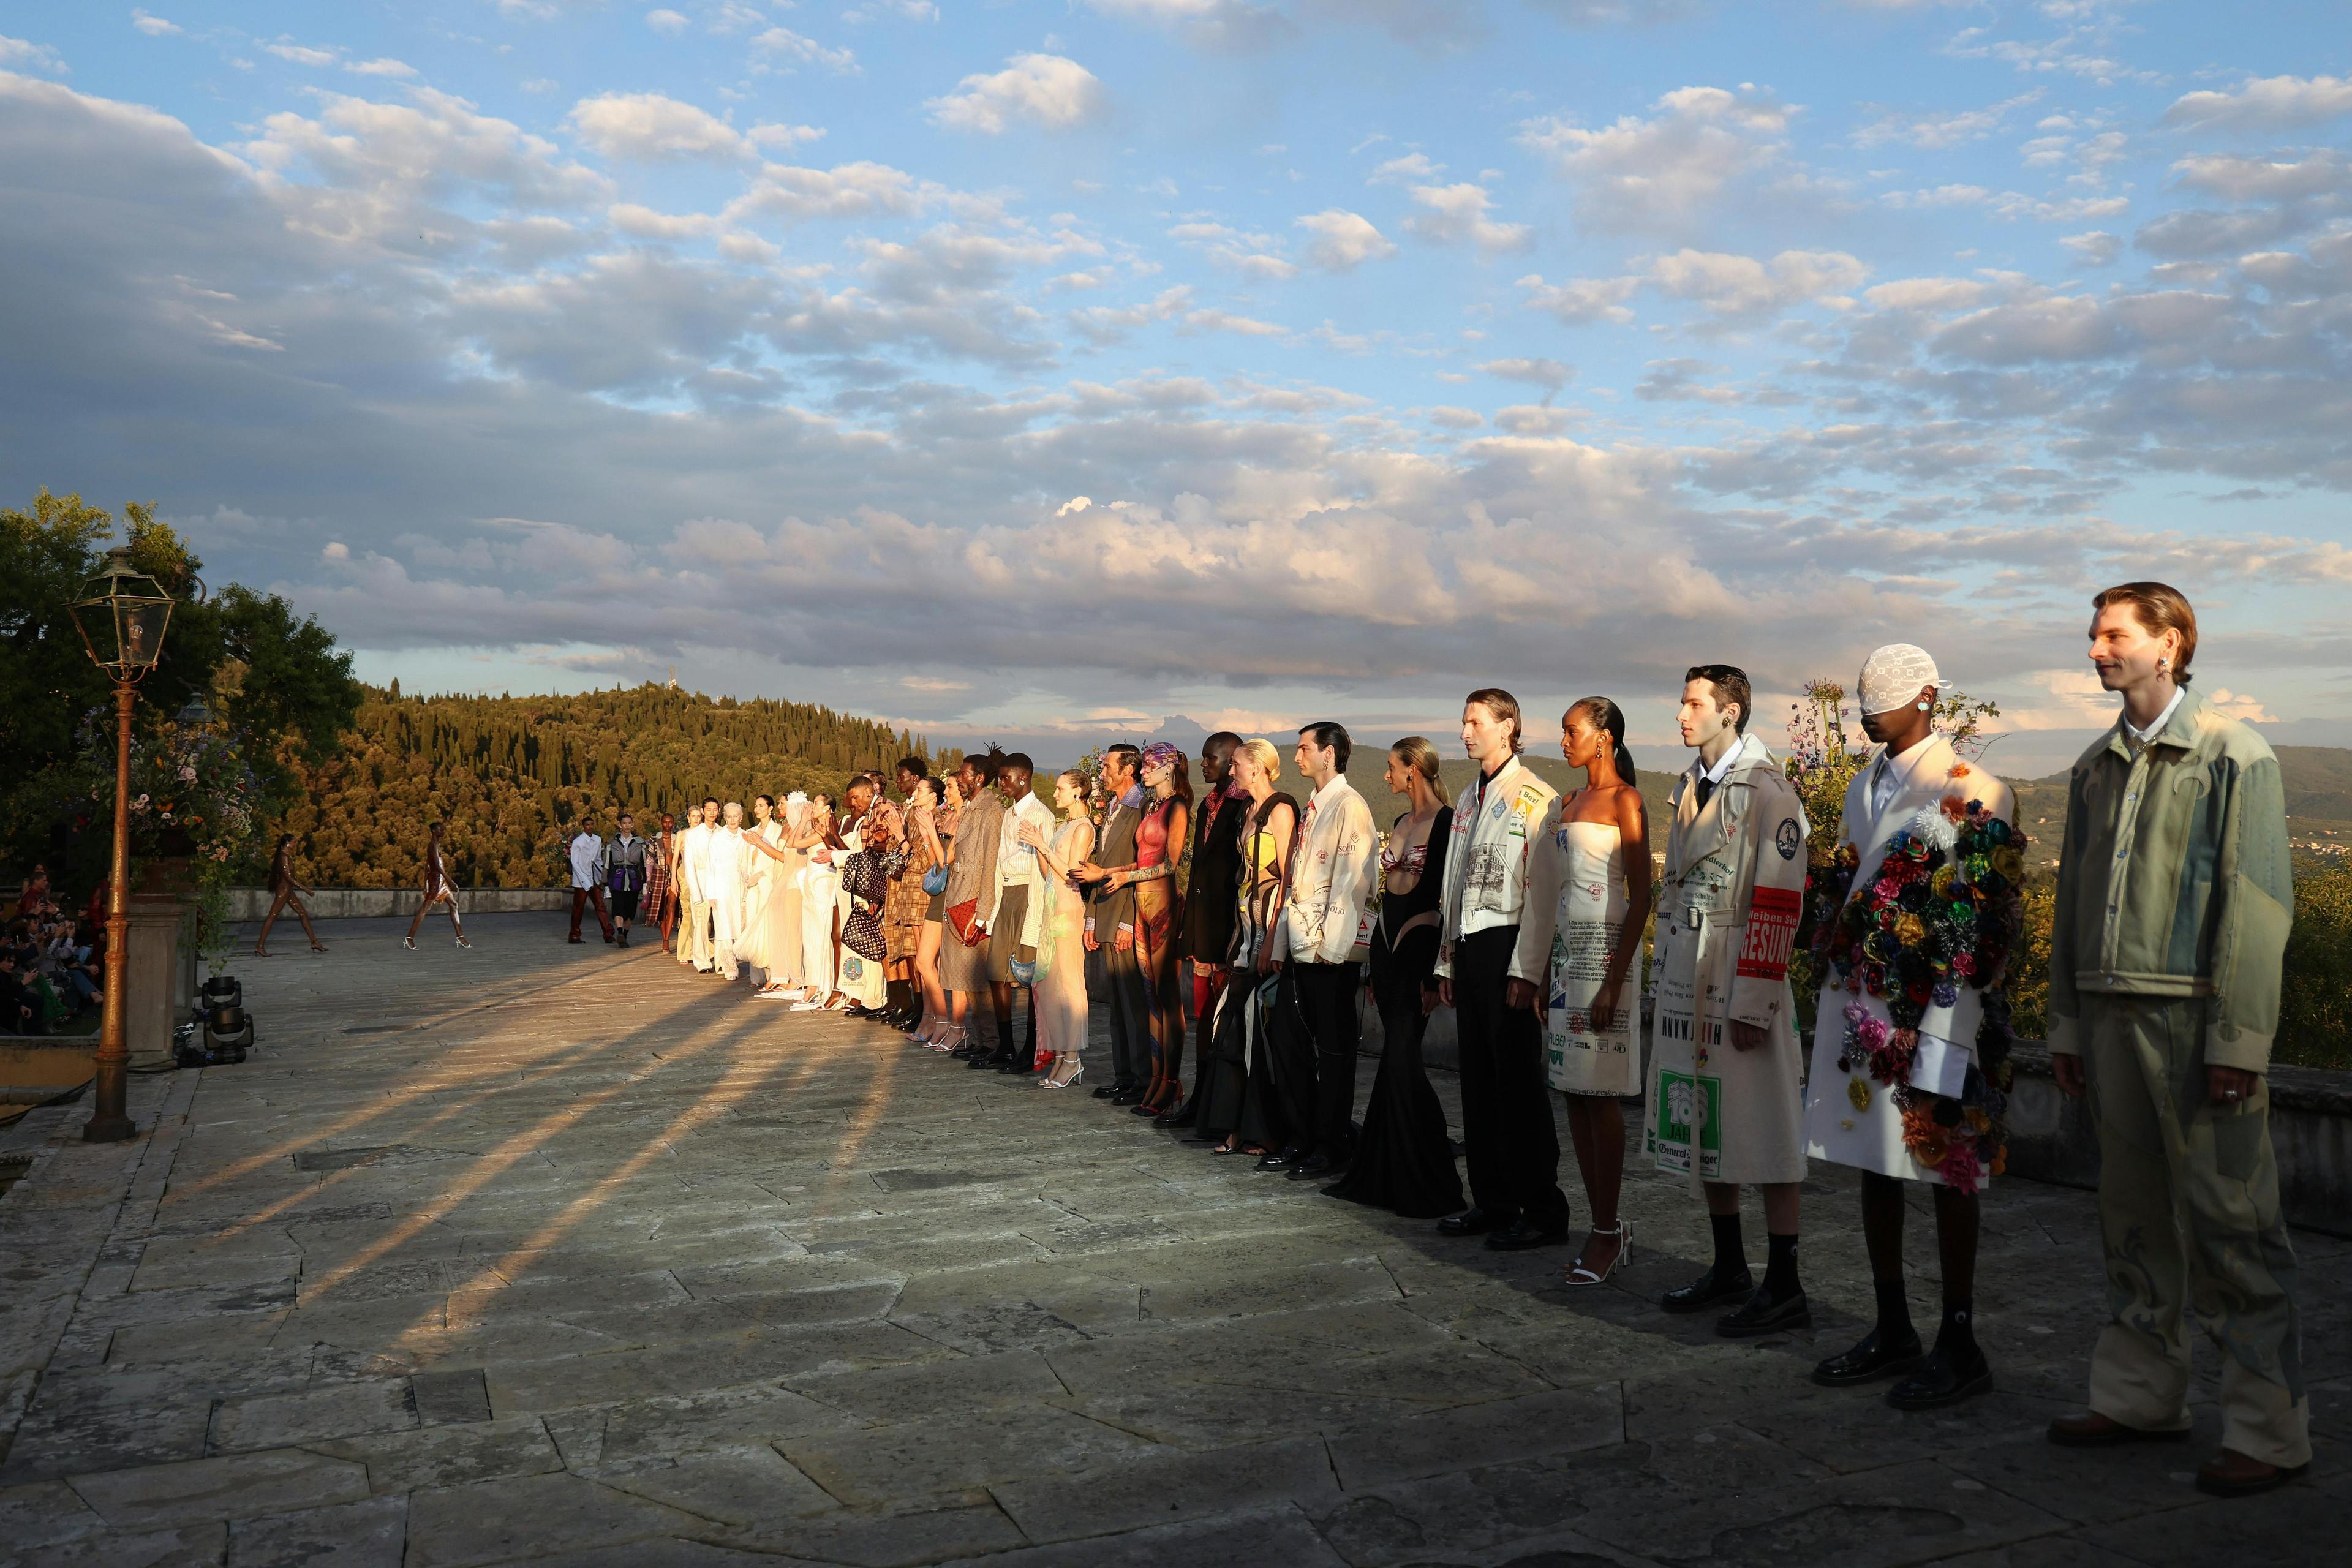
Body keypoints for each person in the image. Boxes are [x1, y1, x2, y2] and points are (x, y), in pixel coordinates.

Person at [2041, 585, 2308, 1497]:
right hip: (2110, 1015)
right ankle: (2141, 1395)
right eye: (2093, 635)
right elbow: (2075, 901)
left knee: (2232, 1222)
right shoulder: (2092, 766)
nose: (2095, 650)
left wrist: (2239, 1038)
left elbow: (2261, 902)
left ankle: (2269, 1431)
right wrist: (2069, 1022)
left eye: (2113, 635)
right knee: (2132, 1214)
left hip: (2198, 1022)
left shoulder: (2236, 753)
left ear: (2170, 645)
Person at [1802, 646, 2021, 1409]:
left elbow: (1978, 923)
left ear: (1927, 697)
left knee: (1949, 1165)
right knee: (1875, 1159)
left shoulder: (1976, 788)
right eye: (1862, 693)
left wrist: (1950, 1033)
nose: (1868, 707)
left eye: (1885, 695)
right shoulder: (1862, 786)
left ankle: (1959, 1338)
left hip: (1937, 1011)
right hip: (1863, 1007)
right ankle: (1892, 1322)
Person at [1649, 665, 1812, 1335]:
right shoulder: (1691, 785)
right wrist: (1659, 980)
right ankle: (1730, 1265)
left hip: (1744, 976)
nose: (1682, 715)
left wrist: (1755, 999)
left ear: (1731, 711)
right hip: (1691, 972)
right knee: (1705, 1125)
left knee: (1768, 1126)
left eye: (1694, 704)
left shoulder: (1770, 790)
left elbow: (1779, 896)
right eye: (1682, 702)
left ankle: (1785, 1281)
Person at [1510, 698, 1653, 1286]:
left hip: (1607, 960)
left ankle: (1606, 1229)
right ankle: (1604, 1228)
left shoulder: (1627, 801)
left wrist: (1615, 983)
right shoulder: (1566, 804)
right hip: (1570, 960)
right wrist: (1544, 972)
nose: (1562, 740)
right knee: (1571, 1091)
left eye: (1572, 731)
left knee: (1601, 1096)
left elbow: (1642, 895)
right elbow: (1553, 894)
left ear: (1604, 737)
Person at [1432, 690, 1569, 1249]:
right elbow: (1453, 884)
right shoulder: (1467, 796)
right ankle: (1491, 1200)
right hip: (1468, 945)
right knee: (1478, 1080)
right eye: (1463, 721)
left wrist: (1527, 969)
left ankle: (1542, 1210)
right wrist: (1445, 959)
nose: (1465, 731)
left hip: (1509, 944)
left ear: (1508, 726)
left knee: (1517, 1082)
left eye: (1475, 722)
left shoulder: (1537, 796)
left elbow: (1543, 891)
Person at [1324, 737, 1464, 1217]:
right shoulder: (1404, 822)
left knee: (1403, 1057)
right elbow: (1387, 892)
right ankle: (1393, 1165)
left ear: (1414, 770)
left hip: (1420, 952)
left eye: (1391, 768)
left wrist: (1438, 972)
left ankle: (1426, 1170)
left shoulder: (1447, 823)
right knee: (1394, 1059)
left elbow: (1449, 901)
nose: (1385, 776)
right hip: (1385, 951)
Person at [1266, 722, 1376, 1181]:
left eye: (1304, 748)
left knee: (1333, 1052)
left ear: (1329, 753)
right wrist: (1279, 945)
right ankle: (1305, 1133)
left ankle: (1330, 1143)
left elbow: (1354, 881)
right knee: (1290, 1041)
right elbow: (1294, 883)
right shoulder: (1316, 806)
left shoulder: (1350, 806)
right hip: (1299, 944)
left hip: (1328, 951)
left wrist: (1333, 948)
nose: (1297, 757)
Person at [1198, 739, 1297, 1154]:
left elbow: (1291, 877)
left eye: (1237, 764)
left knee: (1259, 1030)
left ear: (1257, 767)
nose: (1232, 770)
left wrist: (1273, 939)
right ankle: (1235, 1124)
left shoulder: (1281, 809)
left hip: (1268, 925)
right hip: (1245, 928)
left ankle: (1262, 1130)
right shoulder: (1248, 811)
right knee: (1231, 1024)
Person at [1164, 732, 1246, 1127]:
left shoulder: (1246, 807)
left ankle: (1221, 1108)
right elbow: (1196, 874)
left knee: (1224, 1023)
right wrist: (1189, 932)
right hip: (1202, 931)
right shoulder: (1210, 803)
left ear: (1232, 760)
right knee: (1202, 1019)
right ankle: (1199, 1101)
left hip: (1228, 934)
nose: (1203, 764)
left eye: (1210, 758)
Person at [1075, 744, 1152, 1101]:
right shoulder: (1115, 808)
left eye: (1107, 767)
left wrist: (1125, 924)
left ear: (1128, 771)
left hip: (1125, 913)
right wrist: (1091, 917)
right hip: (1104, 909)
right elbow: (1100, 865)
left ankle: (1142, 1079)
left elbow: (1139, 870)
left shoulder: (1140, 809)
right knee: (1117, 1005)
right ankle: (1124, 1075)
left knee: (1133, 1003)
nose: (1102, 772)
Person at [978, 754, 1056, 1071]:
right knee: (997, 973)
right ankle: (1006, 1046)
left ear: (1023, 777)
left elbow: (1046, 869)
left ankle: (1031, 1049)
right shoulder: (1010, 815)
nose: (1002, 783)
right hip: (1007, 893)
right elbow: (998, 862)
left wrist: (1036, 914)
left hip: (1030, 894)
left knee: (1030, 975)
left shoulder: (1041, 814)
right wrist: (994, 909)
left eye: (1006, 778)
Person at [1022, 768, 1099, 1086]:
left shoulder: (1083, 828)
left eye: (1060, 789)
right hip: (1051, 906)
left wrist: (1043, 844)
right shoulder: (1064, 825)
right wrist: (1039, 846)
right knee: (1050, 986)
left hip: (1068, 909)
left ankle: (1073, 1058)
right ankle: (1060, 1055)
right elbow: (1048, 871)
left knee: (1069, 985)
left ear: (1078, 792)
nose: (1055, 794)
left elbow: (1072, 874)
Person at [940, 753, 1006, 1044]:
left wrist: (984, 909)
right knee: (968, 978)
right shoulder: (970, 808)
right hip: (960, 899)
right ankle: (981, 1041)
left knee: (979, 978)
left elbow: (991, 859)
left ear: (979, 778)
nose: (960, 779)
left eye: (965, 775)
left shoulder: (991, 810)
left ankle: (990, 1042)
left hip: (975, 902)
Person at [908, 777, 961, 1047]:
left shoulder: (962, 819)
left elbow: (947, 860)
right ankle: (940, 1020)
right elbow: (936, 864)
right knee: (924, 961)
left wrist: (929, 828)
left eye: (951, 787)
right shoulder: (948, 819)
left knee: (940, 963)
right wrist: (929, 834)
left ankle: (950, 1023)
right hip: (940, 891)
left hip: (956, 892)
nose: (947, 791)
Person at [881, 783, 936, 1031]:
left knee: (926, 960)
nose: (914, 795)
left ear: (934, 796)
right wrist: (897, 830)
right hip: (909, 891)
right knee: (916, 957)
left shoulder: (936, 818)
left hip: (924, 892)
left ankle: (934, 1016)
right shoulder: (913, 816)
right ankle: (924, 1014)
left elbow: (925, 861)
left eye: (921, 791)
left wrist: (902, 836)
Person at [791, 794, 842, 1008]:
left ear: (827, 808)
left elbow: (794, 843)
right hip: (811, 883)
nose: (813, 806)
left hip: (822, 882)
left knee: (820, 933)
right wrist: (803, 821)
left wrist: (803, 820)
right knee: (810, 933)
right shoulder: (815, 829)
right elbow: (792, 842)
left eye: (818, 803)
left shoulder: (826, 831)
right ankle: (812, 981)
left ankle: (820, 982)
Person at [251, 834, 326, 956]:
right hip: (284, 891)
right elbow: (288, 877)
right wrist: (305, 889)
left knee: (303, 913)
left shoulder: (287, 857)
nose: (296, 844)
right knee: (272, 916)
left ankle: (314, 942)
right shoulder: (284, 857)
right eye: (295, 842)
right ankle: (259, 946)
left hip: (288, 891)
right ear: (288, 843)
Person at [697, 802, 748, 981]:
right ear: (725, 818)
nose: (733, 820)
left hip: (741, 888)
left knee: (741, 925)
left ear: (741, 818)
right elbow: (710, 868)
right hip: (722, 888)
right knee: (724, 926)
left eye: (736, 816)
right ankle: (729, 965)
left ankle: (742, 958)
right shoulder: (717, 839)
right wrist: (710, 893)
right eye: (730, 816)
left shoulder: (746, 836)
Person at [404, 822, 469, 949]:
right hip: (437, 882)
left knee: (453, 905)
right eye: (441, 830)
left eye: (444, 829)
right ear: (434, 831)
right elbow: (437, 867)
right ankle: (409, 938)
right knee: (425, 909)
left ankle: (460, 937)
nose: (443, 832)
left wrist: (425, 884)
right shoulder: (433, 845)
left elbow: (427, 866)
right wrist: (451, 882)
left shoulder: (436, 845)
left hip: (441, 882)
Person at [679, 800, 718, 972]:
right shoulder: (692, 835)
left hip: (719, 885)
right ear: (704, 811)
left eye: (715, 810)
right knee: (700, 922)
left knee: (719, 923)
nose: (712, 813)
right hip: (699, 883)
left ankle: (723, 960)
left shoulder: (722, 832)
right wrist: (695, 891)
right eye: (708, 810)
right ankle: (701, 960)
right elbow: (688, 863)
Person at [567, 818, 614, 945]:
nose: (590, 827)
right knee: (579, 908)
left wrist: (600, 877)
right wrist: (584, 880)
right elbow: (575, 863)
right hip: (581, 881)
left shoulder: (597, 840)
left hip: (594, 878)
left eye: (592, 825)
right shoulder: (578, 842)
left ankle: (608, 933)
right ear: (583, 826)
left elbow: (598, 859)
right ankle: (574, 935)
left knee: (600, 906)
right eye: (587, 825)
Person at [607, 812, 649, 948]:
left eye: (629, 823)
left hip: (634, 879)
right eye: (624, 823)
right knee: (618, 906)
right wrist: (606, 883)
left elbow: (645, 863)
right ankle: (620, 932)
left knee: (631, 910)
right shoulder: (612, 843)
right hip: (617, 879)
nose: (627, 826)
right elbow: (607, 864)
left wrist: (646, 883)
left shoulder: (640, 842)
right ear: (620, 825)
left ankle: (624, 935)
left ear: (633, 824)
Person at [643, 812, 678, 954]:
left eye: (670, 822)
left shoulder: (677, 839)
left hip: (674, 874)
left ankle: (666, 940)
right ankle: (664, 936)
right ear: (661, 823)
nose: (668, 825)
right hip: (659, 874)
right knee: (662, 908)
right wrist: (649, 879)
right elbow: (650, 860)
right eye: (665, 822)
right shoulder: (654, 839)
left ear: (673, 824)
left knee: (671, 906)